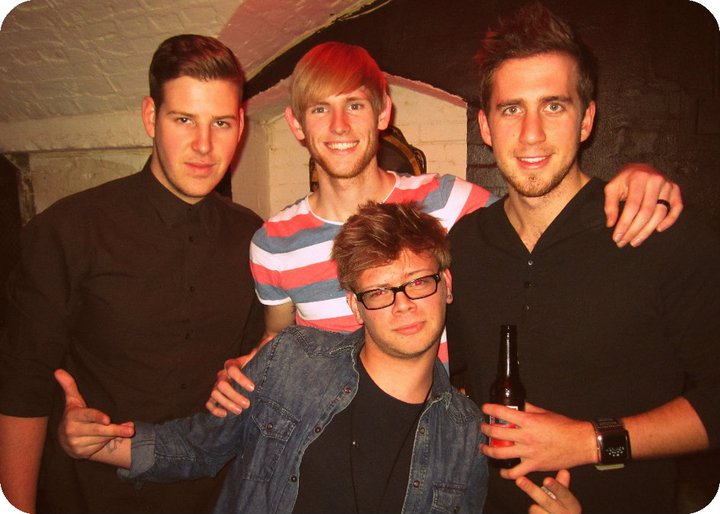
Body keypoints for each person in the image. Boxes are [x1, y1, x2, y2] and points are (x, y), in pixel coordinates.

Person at [207, 40, 682, 418]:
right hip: (326, 441)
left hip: (433, 444)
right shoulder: (272, 243)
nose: (339, 126)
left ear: (383, 112)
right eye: (319, 110)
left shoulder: (447, 202)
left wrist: (635, 176)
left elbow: (541, 212)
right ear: (295, 124)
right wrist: (244, 375)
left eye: (354, 105)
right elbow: (279, 339)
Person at [445, 3, 720, 513]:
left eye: (554, 106)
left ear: (587, 118)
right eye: (511, 109)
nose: (531, 133)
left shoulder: (657, 232)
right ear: (485, 125)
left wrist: (588, 441)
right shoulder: (466, 245)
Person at [54, 202, 488, 514]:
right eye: (379, 291)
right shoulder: (294, 359)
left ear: (446, 285)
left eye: (419, 282)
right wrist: (100, 443)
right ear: (355, 306)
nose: (403, 304)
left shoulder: (468, 434)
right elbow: (197, 447)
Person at [0, 35, 264, 514]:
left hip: (215, 495)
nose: (204, 145)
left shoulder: (253, 235)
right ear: (150, 117)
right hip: (93, 494)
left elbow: (253, 361)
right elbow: (22, 386)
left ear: (240, 126)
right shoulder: (68, 230)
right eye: (183, 119)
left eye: (221, 123)